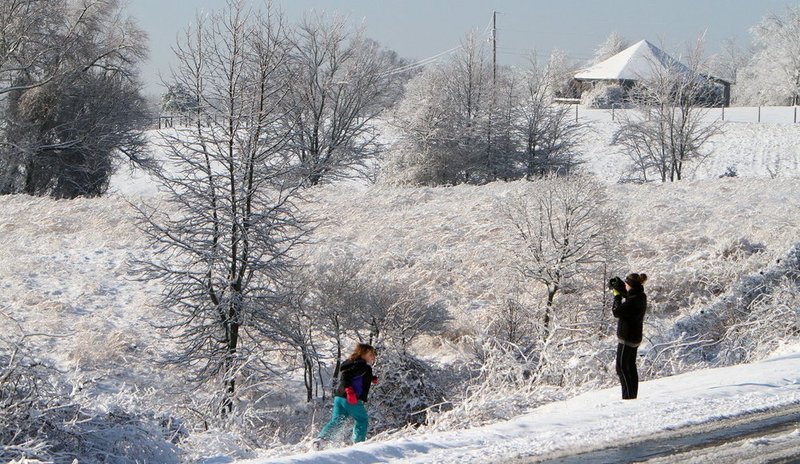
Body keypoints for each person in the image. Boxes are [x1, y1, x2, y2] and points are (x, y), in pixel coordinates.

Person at [315, 343, 378, 448]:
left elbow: (355, 376)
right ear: (363, 354)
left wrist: (371, 378)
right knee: (362, 420)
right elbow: (346, 376)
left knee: (338, 420)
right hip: (351, 398)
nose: (373, 356)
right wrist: (350, 391)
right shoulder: (362, 366)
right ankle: (359, 444)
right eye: (371, 354)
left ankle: (321, 441)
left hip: (339, 397)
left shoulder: (352, 363)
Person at [611, 273, 648, 400]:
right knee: (630, 367)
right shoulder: (640, 296)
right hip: (634, 337)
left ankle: (628, 397)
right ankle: (632, 396)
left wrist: (616, 297)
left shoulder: (633, 300)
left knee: (621, 367)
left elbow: (617, 311)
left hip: (627, 337)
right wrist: (620, 287)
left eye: (626, 284)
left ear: (631, 286)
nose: (625, 286)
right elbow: (629, 295)